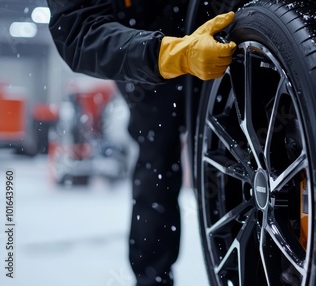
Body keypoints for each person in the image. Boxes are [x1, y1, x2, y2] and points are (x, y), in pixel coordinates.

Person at [46, 1, 237, 285]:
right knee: (158, 159)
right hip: (145, 55)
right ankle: (153, 279)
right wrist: (170, 55)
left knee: (232, 154)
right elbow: (77, 29)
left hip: (221, 30)